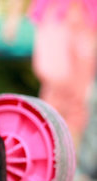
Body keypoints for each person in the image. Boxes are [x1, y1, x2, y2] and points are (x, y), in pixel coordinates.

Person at [30, 0, 97, 149]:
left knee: (79, 99)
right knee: (55, 90)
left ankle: (71, 161)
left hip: (87, 18)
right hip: (57, 14)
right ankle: (48, 151)